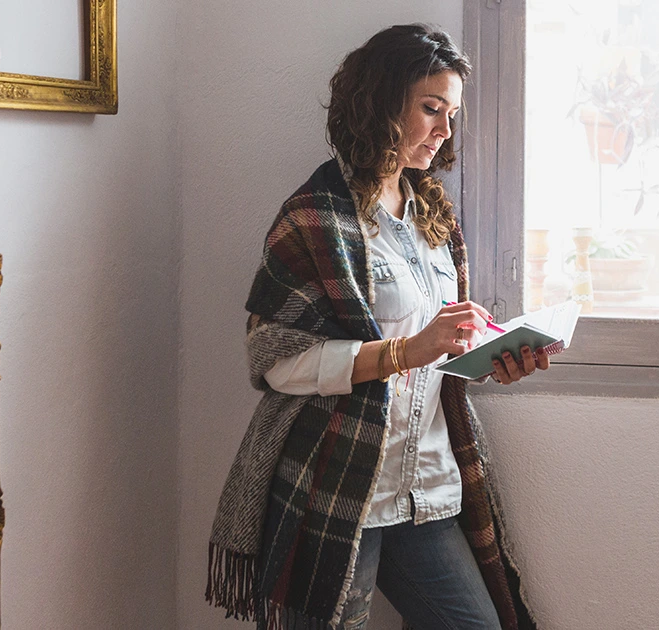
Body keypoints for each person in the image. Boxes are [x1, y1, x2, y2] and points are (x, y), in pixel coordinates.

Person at [206, 24, 543, 630]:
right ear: (384, 102)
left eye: (452, 113)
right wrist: (406, 350)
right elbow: (276, 359)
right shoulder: (315, 215)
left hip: (428, 486)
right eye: (431, 108)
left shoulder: (434, 216)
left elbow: (438, 352)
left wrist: (492, 355)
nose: (444, 130)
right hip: (342, 486)